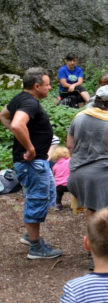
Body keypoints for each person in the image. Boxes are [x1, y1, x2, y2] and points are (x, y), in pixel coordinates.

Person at [0, 67, 62, 259]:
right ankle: (35, 248)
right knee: (36, 199)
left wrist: (24, 138)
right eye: (47, 84)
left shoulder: (19, 98)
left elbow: (3, 116)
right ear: (36, 86)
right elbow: (17, 124)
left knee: (44, 196)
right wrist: (30, 148)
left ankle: (30, 236)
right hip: (31, 163)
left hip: (33, 164)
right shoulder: (29, 102)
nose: (50, 87)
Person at [67, 85, 108, 270]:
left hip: (77, 173)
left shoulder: (79, 116)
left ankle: (92, 247)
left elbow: (70, 145)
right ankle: (99, 254)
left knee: (92, 210)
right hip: (103, 175)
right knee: (104, 213)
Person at [51, 146, 71, 210]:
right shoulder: (70, 161)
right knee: (77, 192)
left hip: (59, 186)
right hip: (69, 185)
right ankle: (77, 204)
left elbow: (54, 176)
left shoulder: (55, 166)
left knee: (58, 193)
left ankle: (58, 204)